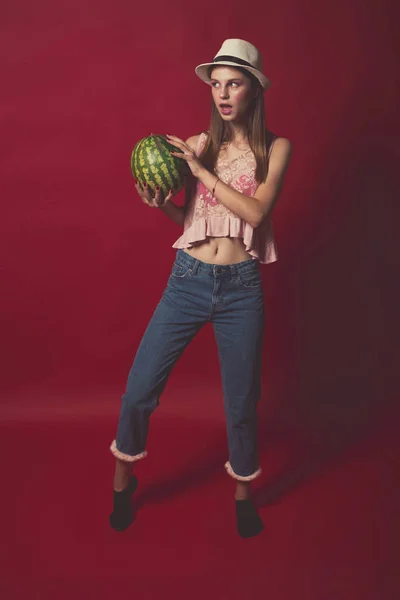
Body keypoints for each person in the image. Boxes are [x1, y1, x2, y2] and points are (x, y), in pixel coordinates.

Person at [109, 38, 292, 538]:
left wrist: (199, 171)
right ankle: (123, 485)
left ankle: (242, 497)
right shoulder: (196, 143)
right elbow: (190, 216)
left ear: (254, 90)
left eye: (233, 84)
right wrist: (161, 206)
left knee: (240, 402)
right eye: (216, 85)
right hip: (188, 280)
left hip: (241, 288)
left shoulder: (274, 148)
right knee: (139, 391)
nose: (223, 94)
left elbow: (256, 213)